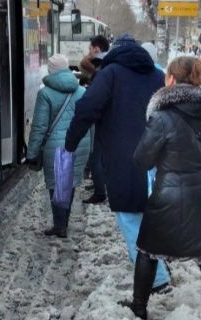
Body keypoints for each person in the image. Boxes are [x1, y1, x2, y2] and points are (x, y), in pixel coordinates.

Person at [120, 56, 201, 320]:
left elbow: (142, 160)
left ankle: (139, 307)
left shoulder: (161, 117)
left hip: (169, 193)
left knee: (148, 251)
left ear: (172, 80)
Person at [65, 34, 171, 292]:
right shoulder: (158, 75)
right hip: (158, 154)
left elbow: (87, 109)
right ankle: (156, 263)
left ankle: (157, 280)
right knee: (149, 212)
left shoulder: (110, 74)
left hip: (124, 155)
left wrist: (70, 143)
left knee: (129, 214)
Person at [26, 54, 91, 238]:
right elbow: (90, 123)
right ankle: (63, 223)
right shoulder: (82, 92)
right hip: (79, 144)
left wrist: (32, 153)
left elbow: (39, 127)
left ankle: (59, 225)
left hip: (56, 147)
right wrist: (90, 148)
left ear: (51, 71)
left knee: (56, 185)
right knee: (68, 184)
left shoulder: (45, 94)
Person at [79, 35, 111, 204]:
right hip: (107, 117)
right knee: (100, 155)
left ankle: (100, 191)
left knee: (96, 156)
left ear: (97, 50)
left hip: (101, 117)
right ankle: (100, 184)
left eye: (90, 48)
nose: (88, 52)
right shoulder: (108, 65)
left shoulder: (101, 67)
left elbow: (83, 64)